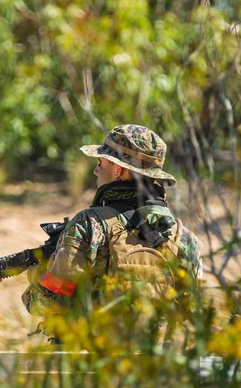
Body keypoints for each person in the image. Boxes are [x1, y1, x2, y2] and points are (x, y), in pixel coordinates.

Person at [21, 124, 202, 320]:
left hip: (95, 350)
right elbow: (191, 313)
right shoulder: (184, 237)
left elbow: (48, 303)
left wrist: (37, 272)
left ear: (117, 170)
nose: (96, 171)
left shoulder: (88, 224)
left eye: (100, 163)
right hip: (158, 350)